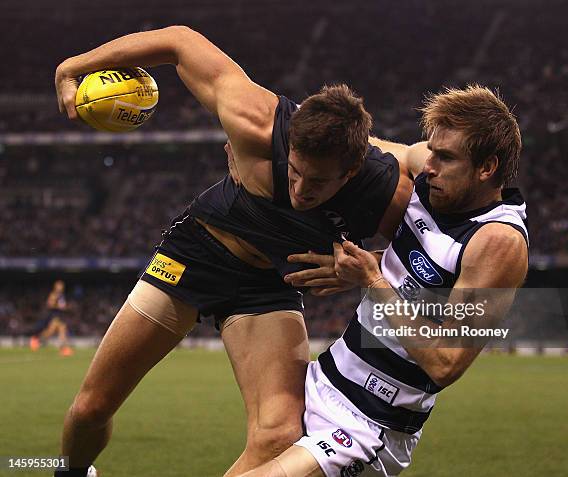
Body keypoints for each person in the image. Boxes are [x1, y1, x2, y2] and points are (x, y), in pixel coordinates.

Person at [54, 26, 421, 476]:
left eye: (319, 182)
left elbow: (430, 254)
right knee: (92, 407)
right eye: (295, 172)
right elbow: (178, 41)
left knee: (279, 436)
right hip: (197, 255)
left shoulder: (385, 191)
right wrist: (72, 67)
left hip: (265, 287)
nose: (301, 190)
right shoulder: (254, 120)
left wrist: (367, 271)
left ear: (351, 172)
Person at [234, 85, 529, 477]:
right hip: (323, 380)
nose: (429, 165)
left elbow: (446, 363)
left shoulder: (498, 242)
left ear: (487, 168)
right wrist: (245, 154)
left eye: (445, 157)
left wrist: (372, 279)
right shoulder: (434, 179)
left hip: (368, 425)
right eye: (432, 149)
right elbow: (350, 144)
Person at [30, 280, 73, 357]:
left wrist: (65, 307)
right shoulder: (54, 295)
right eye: (59, 286)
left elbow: (62, 305)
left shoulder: (61, 295)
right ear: (56, 287)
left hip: (60, 315)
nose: (61, 287)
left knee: (53, 331)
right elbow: (49, 304)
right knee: (58, 330)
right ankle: (64, 349)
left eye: (61, 286)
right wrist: (59, 307)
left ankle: (36, 340)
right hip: (54, 315)